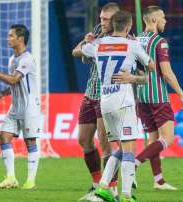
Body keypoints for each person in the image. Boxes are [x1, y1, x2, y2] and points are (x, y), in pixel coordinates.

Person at [112, 6, 183, 190]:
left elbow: (133, 69)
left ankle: (159, 180)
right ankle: (134, 163)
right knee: (167, 139)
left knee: (154, 141)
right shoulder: (159, 42)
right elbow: (167, 73)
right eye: (162, 18)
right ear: (153, 20)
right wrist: (181, 95)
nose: (165, 21)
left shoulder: (135, 40)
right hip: (158, 97)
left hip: (141, 98)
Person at [81, 10, 154, 202]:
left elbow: (82, 50)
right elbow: (151, 67)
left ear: (113, 25)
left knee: (120, 149)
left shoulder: (98, 44)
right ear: (129, 26)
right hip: (123, 101)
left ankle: (104, 187)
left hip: (105, 102)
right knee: (130, 148)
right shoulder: (132, 44)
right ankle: (126, 195)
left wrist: (87, 39)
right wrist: (133, 77)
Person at [72, 2, 120, 201]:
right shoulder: (98, 32)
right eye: (101, 18)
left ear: (116, 20)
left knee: (106, 145)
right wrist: (86, 41)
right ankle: (96, 184)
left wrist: (92, 46)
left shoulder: (121, 39)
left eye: (106, 19)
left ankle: (113, 190)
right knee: (83, 140)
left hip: (107, 95)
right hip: (90, 94)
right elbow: (75, 52)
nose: (102, 22)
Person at [0, 24, 41, 190]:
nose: (8, 39)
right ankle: (10, 178)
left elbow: (14, 79)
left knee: (30, 141)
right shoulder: (12, 59)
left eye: (11, 36)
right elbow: (15, 84)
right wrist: (2, 93)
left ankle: (30, 181)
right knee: (3, 137)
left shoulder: (27, 59)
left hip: (30, 107)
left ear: (20, 39)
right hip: (15, 106)